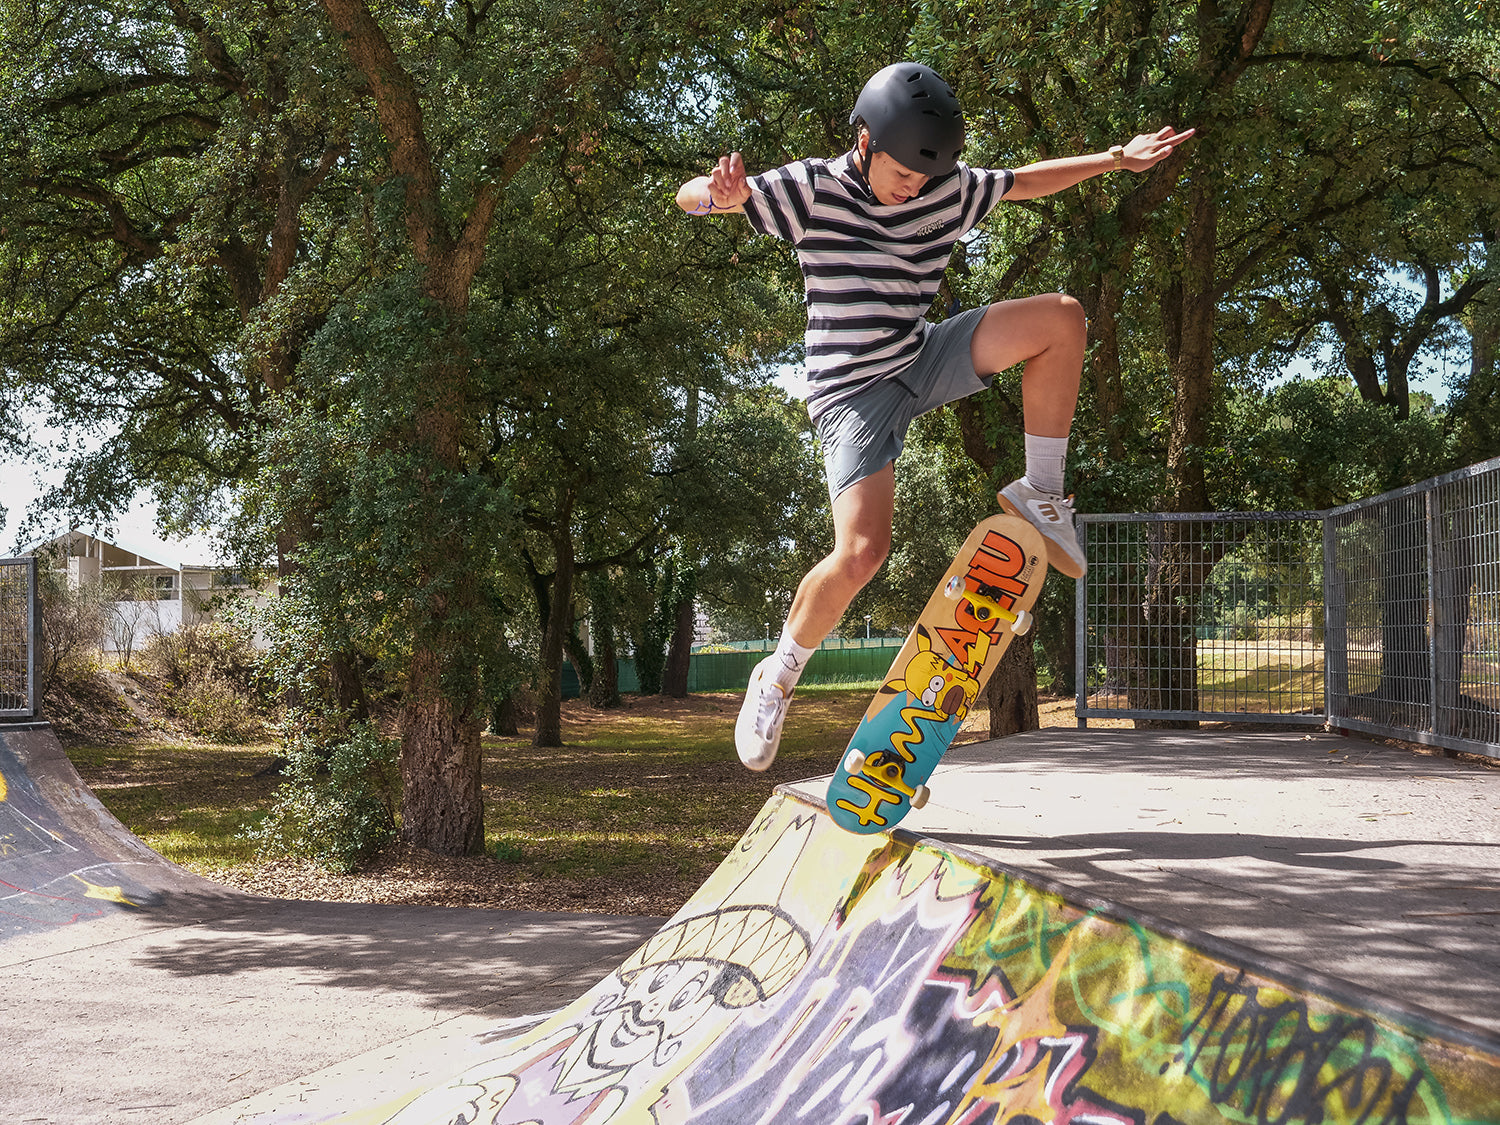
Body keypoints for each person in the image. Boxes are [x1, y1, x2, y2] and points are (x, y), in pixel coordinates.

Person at [675, 61, 1193, 771]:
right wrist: (719, 197)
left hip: (921, 355)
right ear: (864, 142)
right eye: (902, 175)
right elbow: (687, 196)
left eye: (925, 179)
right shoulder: (811, 190)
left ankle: (1041, 491)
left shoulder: (948, 189)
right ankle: (779, 672)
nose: (913, 190)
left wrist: (1114, 159)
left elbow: (1025, 178)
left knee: (1063, 320)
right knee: (863, 553)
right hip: (851, 392)